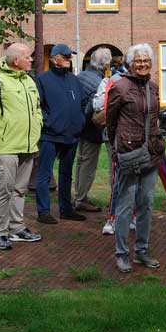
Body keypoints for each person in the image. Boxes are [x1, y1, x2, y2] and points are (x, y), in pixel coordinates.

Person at [106, 43, 165, 272]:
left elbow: (154, 119)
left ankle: (142, 250)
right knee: (125, 205)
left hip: (150, 154)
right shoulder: (119, 87)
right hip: (129, 154)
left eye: (146, 60)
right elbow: (110, 122)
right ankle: (122, 253)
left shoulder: (153, 87)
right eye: (138, 60)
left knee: (147, 204)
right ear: (130, 63)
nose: (143, 64)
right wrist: (115, 150)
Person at [0, 43, 43, 250]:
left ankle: (17, 227)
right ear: (16, 60)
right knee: (4, 189)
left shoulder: (30, 81)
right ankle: (1, 231)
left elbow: (36, 110)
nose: (31, 60)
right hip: (6, 146)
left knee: (20, 190)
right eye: (28, 56)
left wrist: (37, 132)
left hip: (28, 146)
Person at [35, 43, 88, 224]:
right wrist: (49, 123)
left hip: (72, 134)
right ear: (54, 58)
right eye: (65, 56)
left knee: (67, 173)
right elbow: (38, 107)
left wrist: (80, 121)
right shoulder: (42, 79)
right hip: (50, 135)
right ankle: (43, 211)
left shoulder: (74, 79)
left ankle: (66, 209)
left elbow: (82, 102)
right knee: (45, 173)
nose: (68, 59)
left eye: (69, 56)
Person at [74, 47, 112, 213]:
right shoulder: (99, 82)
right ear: (105, 65)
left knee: (81, 162)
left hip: (79, 127)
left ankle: (79, 196)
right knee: (88, 165)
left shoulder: (80, 76)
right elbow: (94, 109)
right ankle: (81, 199)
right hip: (91, 129)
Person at [93, 61, 128, 235]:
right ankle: (114, 216)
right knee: (117, 175)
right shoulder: (110, 82)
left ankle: (129, 215)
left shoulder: (145, 83)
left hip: (136, 137)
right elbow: (98, 106)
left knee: (133, 176)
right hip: (115, 135)